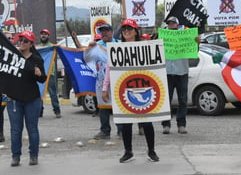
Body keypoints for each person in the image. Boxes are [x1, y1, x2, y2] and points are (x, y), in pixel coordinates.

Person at [102, 19, 159, 163]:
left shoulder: (145, 46)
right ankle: (128, 151)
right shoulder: (116, 49)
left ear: (136, 30)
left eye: (130, 28)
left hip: (144, 88)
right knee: (126, 122)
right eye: (124, 28)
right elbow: (109, 69)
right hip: (124, 90)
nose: (126, 31)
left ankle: (151, 151)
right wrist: (105, 88)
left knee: (147, 123)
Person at [73, 24, 122, 140]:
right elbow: (85, 55)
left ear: (112, 32)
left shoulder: (120, 44)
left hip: (117, 80)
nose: (104, 33)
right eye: (102, 31)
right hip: (101, 81)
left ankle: (121, 130)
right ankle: (105, 131)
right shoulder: (97, 46)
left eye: (106, 31)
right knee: (103, 107)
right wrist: (82, 44)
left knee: (119, 107)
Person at [7, 30, 47, 167]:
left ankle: (34, 156)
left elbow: (43, 79)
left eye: (25, 41)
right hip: (14, 99)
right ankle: (15, 156)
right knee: (15, 130)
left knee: (32, 129)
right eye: (20, 40)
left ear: (31, 44)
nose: (21, 43)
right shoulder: (12, 56)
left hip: (32, 99)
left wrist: (39, 73)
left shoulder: (36, 59)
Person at [161, 16, 193, 134]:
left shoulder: (185, 36)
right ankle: (166, 124)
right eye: (169, 23)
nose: (171, 25)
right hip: (167, 73)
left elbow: (193, 51)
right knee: (166, 100)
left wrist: (196, 42)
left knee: (183, 100)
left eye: (173, 23)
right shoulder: (163, 37)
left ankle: (181, 124)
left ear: (178, 24)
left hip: (182, 73)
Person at [37, 29, 61, 118]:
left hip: (51, 73)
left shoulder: (52, 47)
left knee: (53, 93)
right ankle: (40, 111)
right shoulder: (37, 47)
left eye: (45, 34)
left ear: (48, 36)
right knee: (40, 92)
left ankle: (57, 110)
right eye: (42, 34)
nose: (43, 35)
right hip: (40, 74)